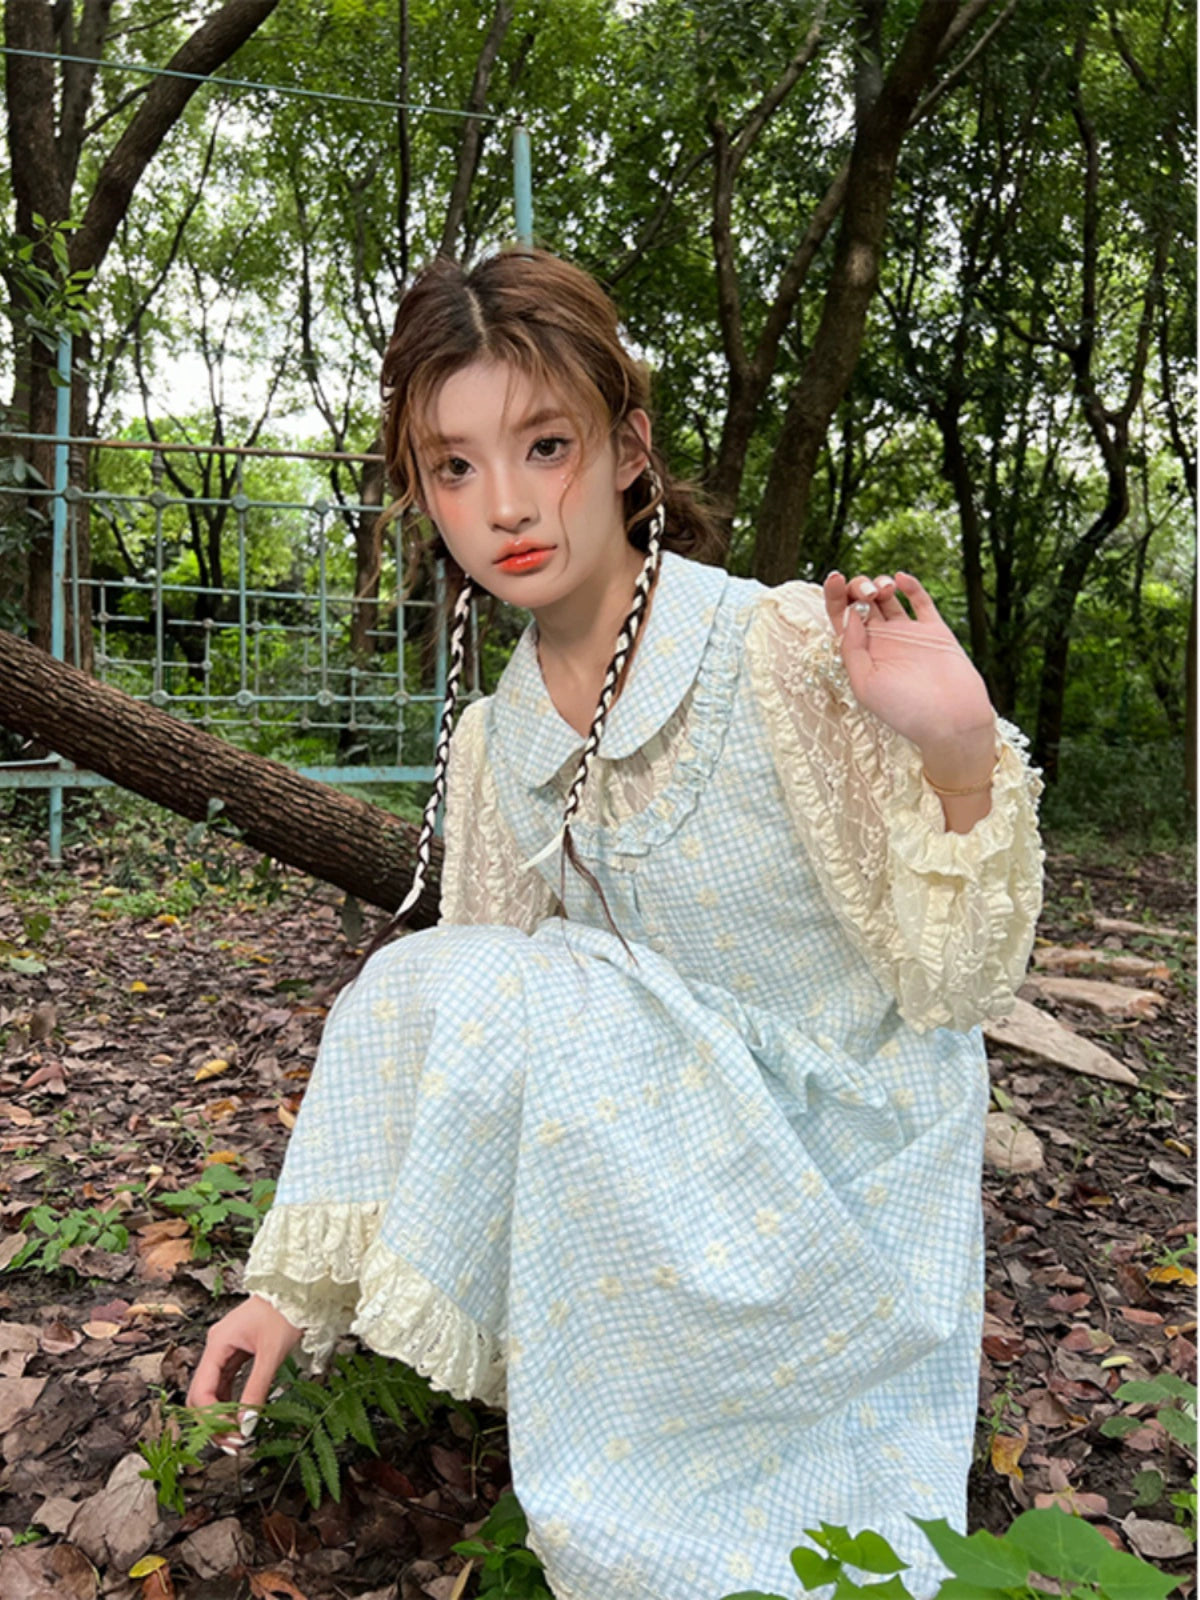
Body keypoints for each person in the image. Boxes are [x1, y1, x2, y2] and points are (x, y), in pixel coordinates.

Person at [188, 248, 1044, 1600]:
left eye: (547, 445)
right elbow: (486, 1038)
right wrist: (289, 1293)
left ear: (630, 447)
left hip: (851, 1167)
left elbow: (958, 989)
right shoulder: (494, 739)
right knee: (445, 974)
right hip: (665, 1172)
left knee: (842, 1559)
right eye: (453, 466)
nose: (506, 505)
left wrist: (956, 755)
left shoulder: (784, 650)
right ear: (420, 490)